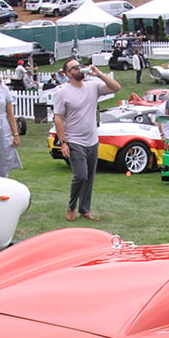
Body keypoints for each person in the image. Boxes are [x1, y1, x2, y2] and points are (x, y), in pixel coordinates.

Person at [52, 58, 121, 221]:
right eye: (75, 68)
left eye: (79, 66)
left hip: (92, 140)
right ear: (68, 74)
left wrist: (99, 74)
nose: (79, 69)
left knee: (89, 177)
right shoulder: (63, 92)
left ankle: (85, 210)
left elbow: (116, 87)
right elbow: (58, 119)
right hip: (74, 140)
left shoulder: (93, 86)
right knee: (81, 175)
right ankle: (71, 207)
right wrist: (63, 143)